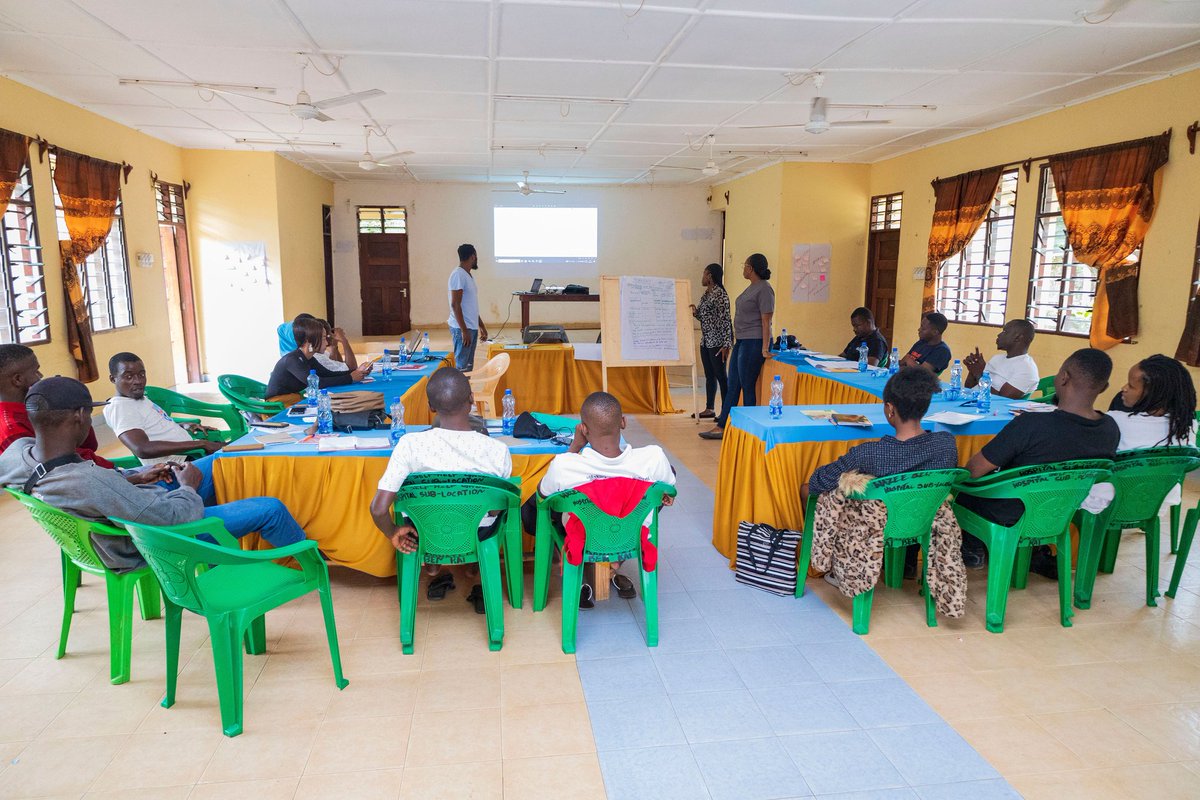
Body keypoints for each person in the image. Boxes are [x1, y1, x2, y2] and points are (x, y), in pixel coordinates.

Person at [0, 377, 308, 572]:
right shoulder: (91, 481)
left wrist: (135, 474)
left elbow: (90, 487)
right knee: (271, 509)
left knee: (216, 463)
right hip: (150, 539)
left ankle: (220, 560)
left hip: (128, 510)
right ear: (81, 416)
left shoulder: (18, 454)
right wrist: (187, 488)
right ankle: (309, 566)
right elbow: (175, 518)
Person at [956, 348, 1120, 569]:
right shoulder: (1110, 428)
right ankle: (1034, 553)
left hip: (1012, 511)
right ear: (1104, 388)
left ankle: (973, 547)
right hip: (1064, 510)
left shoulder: (1032, 424)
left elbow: (974, 469)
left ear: (1063, 378)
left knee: (964, 492)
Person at [370, 368, 511, 608]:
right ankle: (474, 561)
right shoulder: (497, 451)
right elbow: (497, 509)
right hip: (477, 534)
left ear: (430, 407)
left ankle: (433, 561)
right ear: (471, 401)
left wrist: (393, 532)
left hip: (424, 534)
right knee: (488, 516)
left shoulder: (409, 445)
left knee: (426, 514)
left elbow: (378, 509)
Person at [539, 391, 676, 601]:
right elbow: (669, 489)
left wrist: (575, 446)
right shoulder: (653, 457)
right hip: (631, 534)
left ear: (583, 429)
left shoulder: (566, 465)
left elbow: (543, 494)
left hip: (586, 536)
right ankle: (614, 565)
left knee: (540, 504)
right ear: (623, 422)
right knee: (666, 478)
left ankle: (578, 566)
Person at [1086, 354, 1198, 515]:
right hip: (1156, 503)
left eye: (1131, 386)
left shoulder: (1115, 421)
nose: (1123, 388)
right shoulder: (1187, 425)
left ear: (1154, 394)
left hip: (1107, 504)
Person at [700, 253, 775, 440]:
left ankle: (750, 430)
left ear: (751, 268)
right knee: (733, 384)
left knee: (747, 385)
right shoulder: (752, 287)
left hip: (754, 341)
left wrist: (765, 348)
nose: (743, 268)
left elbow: (766, 321)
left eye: (744, 265)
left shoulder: (765, 289)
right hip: (741, 341)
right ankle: (723, 425)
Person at [0, 344, 111, 468]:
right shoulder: (12, 428)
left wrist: (77, 405)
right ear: (18, 380)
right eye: (36, 371)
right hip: (81, 476)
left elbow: (89, 446)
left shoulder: (33, 408)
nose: (41, 375)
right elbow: (60, 464)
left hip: (90, 471)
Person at [266, 316, 367, 400]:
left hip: (293, 399)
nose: (327, 343)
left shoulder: (309, 357)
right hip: (278, 404)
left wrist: (356, 372)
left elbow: (328, 374)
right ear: (310, 341)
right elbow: (318, 383)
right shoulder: (293, 360)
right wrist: (350, 378)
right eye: (323, 338)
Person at [689, 262, 732, 419]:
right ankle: (710, 408)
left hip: (718, 344)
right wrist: (695, 312)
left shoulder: (720, 295)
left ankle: (726, 411)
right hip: (706, 342)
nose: (702, 277)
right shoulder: (706, 294)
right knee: (709, 376)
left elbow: (726, 320)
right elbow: (704, 316)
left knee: (721, 376)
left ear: (710, 276)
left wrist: (727, 344)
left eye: (704, 274)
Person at [962, 319, 1039, 399]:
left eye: (1005, 332)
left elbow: (1001, 400)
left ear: (1018, 337)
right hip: (971, 400)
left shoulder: (1027, 369)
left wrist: (980, 375)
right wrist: (973, 369)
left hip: (988, 408)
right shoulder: (997, 358)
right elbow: (969, 387)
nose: (999, 335)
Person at [448, 243, 487, 373]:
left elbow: (471, 305)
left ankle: (466, 393)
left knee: (468, 367)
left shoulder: (468, 275)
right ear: (472, 256)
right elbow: (455, 304)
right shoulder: (458, 275)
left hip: (471, 327)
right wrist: (464, 331)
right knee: (461, 368)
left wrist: (481, 326)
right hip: (463, 329)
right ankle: (459, 393)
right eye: (476, 256)